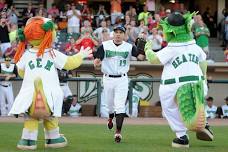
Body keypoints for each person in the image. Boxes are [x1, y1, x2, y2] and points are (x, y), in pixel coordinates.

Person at [8, 16, 92, 150]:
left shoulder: (26, 54)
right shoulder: (52, 53)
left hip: (30, 98)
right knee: (51, 118)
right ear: (48, 33)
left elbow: (21, 72)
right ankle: (53, 139)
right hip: (49, 97)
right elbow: (69, 63)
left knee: (31, 120)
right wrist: (81, 55)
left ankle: (28, 141)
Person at [144, 12, 214, 148]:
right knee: (198, 99)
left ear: (170, 30)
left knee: (169, 107)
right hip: (197, 81)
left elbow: (154, 59)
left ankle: (182, 137)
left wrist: (147, 48)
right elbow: (203, 62)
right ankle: (203, 122)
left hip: (173, 84)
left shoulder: (171, 49)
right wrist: (204, 79)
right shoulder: (195, 47)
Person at [93, 25, 145, 143]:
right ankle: (110, 118)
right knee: (110, 107)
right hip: (108, 79)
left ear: (124, 35)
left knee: (120, 106)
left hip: (122, 79)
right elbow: (96, 61)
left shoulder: (129, 47)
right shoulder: (105, 46)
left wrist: (141, 46)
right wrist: (96, 62)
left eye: (120, 32)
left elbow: (141, 57)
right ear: (113, 34)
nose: (118, 34)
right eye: (116, 32)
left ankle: (118, 133)